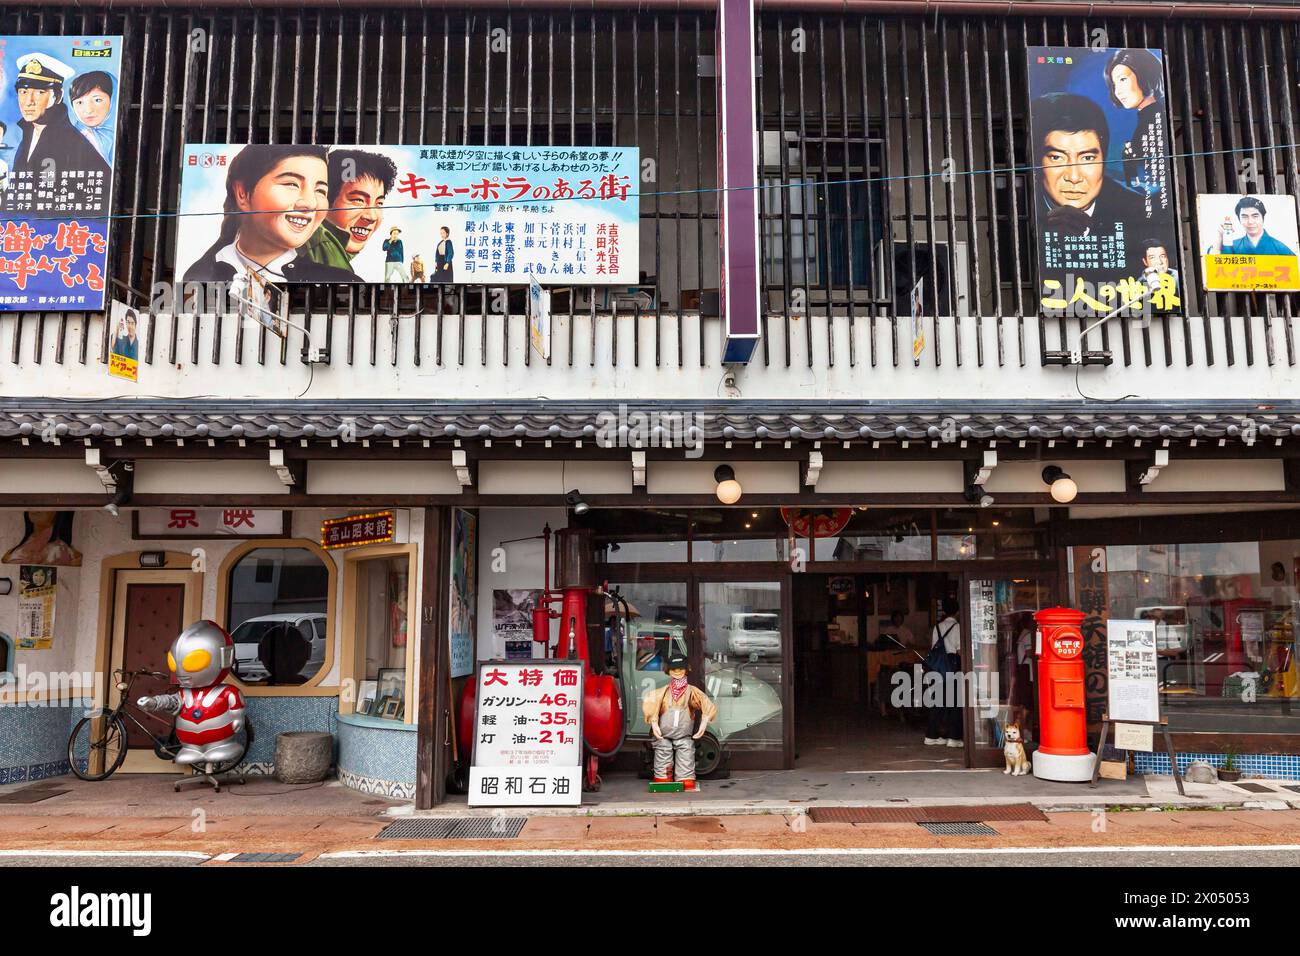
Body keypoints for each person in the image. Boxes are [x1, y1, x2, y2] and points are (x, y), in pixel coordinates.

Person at [182, 144, 358, 288]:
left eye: (320, 190)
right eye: (291, 184)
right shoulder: (198, 276)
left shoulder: (342, 282)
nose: (311, 203)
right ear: (243, 193)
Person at [1032, 92, 1148, 278]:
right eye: (1057, 157)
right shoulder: (1018, 210)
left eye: (1087, 158)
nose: (1074, 177)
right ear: (1037, 162)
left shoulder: (1139, 213)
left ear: (1104, 159)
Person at [6, 54, 111, 211]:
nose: (29, 101)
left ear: (57, 96)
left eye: (40, 92)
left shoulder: (70, 141)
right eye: (23, 92)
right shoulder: (29, 133)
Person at [301, 147, 397, 274]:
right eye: (358, 200)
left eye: (379, 203)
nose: (372, 216)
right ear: (325, 199)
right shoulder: (322, 246)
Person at [642, 653, 717, 790]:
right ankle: (662, 777)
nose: (677, 672)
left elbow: (706, 703)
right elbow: (651, 703)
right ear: (668, 671)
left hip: (684, 736)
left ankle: (685, 778)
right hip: (663, 735)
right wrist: (653, 722)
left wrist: (704, 722)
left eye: (680, 669)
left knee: (686, 751)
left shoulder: (691, 692)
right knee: (662, 750)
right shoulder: (662, 692)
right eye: (674, 669)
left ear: (686, 669)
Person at [1105, 48, 1166, 195]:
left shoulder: (1157, 117)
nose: (1117, 92)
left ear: (1145, 74)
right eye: (1114, 84)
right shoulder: (1147, 118)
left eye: (1123, 79)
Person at [924, 597, 963, 748]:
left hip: (938, 667)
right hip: (952, 666)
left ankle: (931, 735)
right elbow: (959, 650)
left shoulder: (937, 627)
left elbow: (934, 647)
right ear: (958, 611)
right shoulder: (958, 627)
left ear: (945, 611)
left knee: (938, 701)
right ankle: (953, 737)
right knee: (954, 702)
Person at [1215, 196, 1296, 256]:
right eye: (1244, 216)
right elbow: (1215, 269)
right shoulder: (1232, 246)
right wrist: (1219, 238)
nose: (1250, 222)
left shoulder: (1280, 248)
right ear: (1239, 219)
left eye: (1255, 216)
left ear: (1263, 217)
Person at [70, 70, 115, 165]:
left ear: (113, 100)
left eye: (97, 100)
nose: (88, 110)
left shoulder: (124, 135)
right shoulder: (70, 137)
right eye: (80, 102)